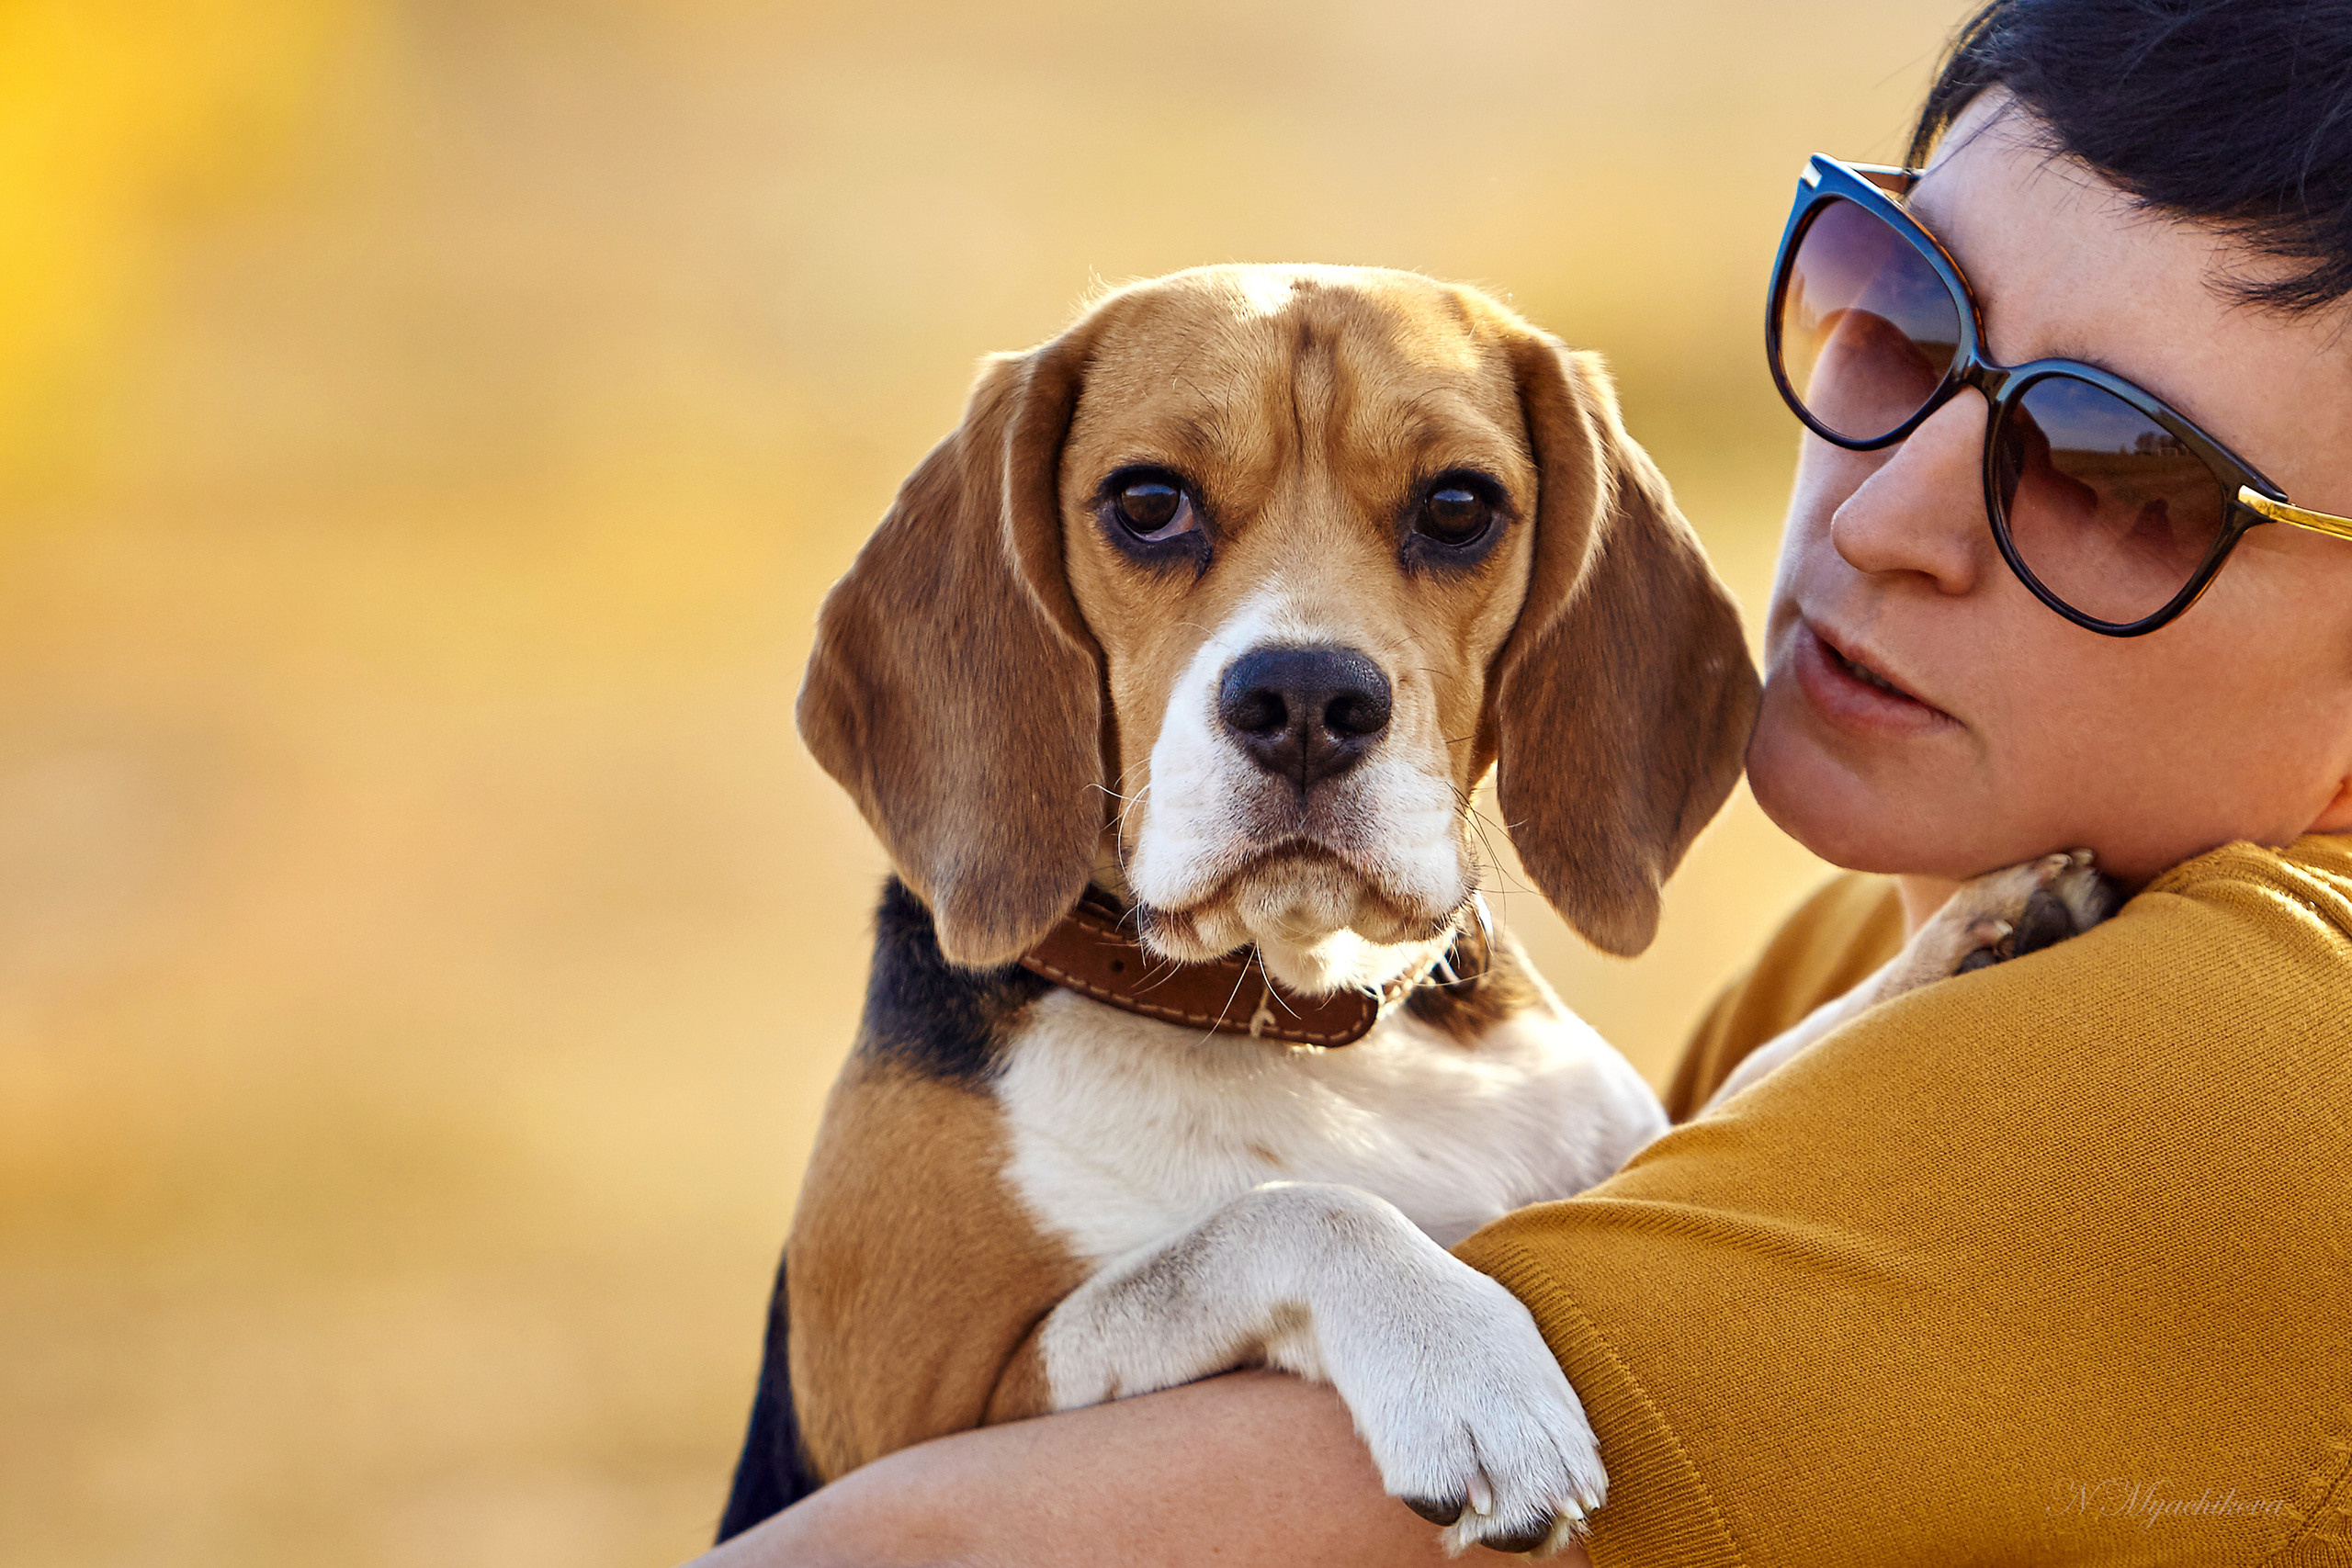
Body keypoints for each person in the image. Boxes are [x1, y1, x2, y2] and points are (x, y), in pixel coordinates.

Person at [695, 2, 2352, 1562]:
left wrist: (1305, 1263)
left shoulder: (2242, 1071)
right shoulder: (1859, 954)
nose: (1884, 517)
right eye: (1903, 309)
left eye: (2118, 469)